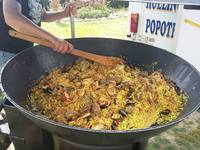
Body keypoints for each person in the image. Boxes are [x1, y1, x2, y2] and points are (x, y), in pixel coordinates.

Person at [0, 0, 76, 70]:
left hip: (26, 49)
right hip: (8, 51)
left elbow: (43, 16)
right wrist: (53, 38)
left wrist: (64, 13)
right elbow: (12, 18)